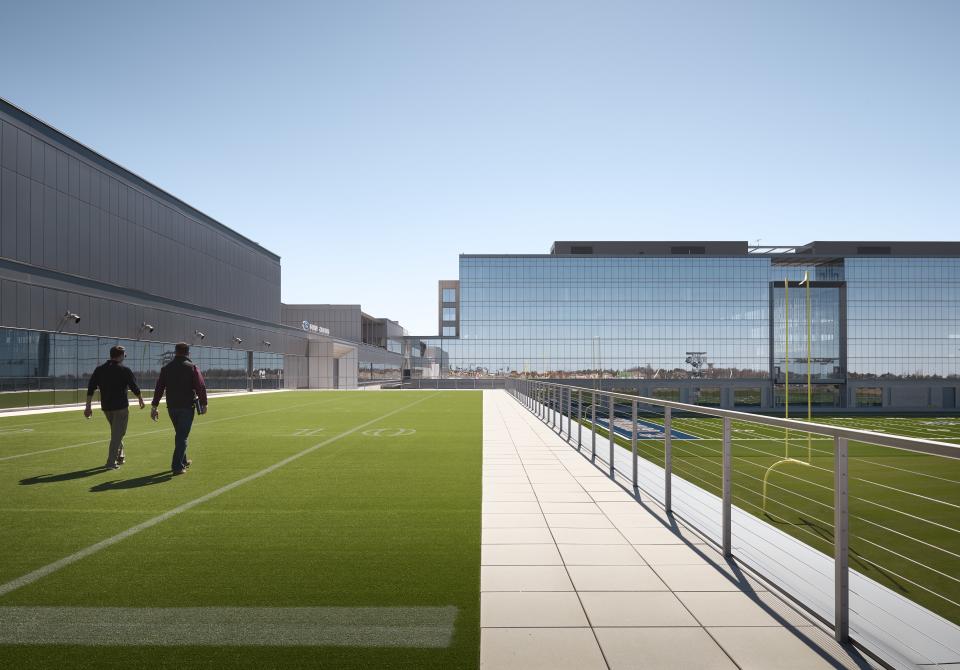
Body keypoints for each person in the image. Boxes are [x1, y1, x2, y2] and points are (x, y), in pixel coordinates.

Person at [151, 342, 208, 475]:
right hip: (187, 406)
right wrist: (204, 403)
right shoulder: (192, 367)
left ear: (176, 352)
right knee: (182, 436)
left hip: (172, 407)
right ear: (188, 353)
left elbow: (159, 388)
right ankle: (177, 466)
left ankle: (183, 460)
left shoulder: (166, 368)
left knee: (180, 434)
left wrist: (154, 406)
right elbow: (200, 386)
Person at [84, 345, 145, 469]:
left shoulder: (99, 370)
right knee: (118, 434)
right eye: (124, 356)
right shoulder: (124, 370)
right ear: (120, 356)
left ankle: (120, 455)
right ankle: (110, 463)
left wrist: (88, 406)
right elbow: (134, 386)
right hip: (121, 408)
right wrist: (140, 399)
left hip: (106, 408)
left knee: (116, 433)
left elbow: (91, 388)